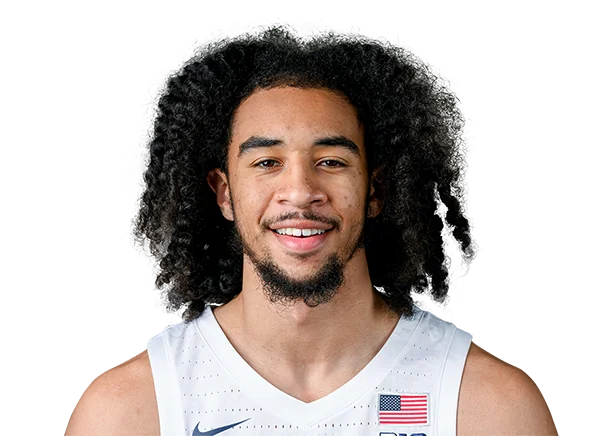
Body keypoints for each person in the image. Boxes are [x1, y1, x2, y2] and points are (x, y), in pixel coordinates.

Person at [65, 18, 557, 436]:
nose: (300, 191)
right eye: (266, 162)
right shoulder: (129, 412)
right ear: (224, 193)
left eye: (331, 161)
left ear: (375, 191)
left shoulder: (487, 407)